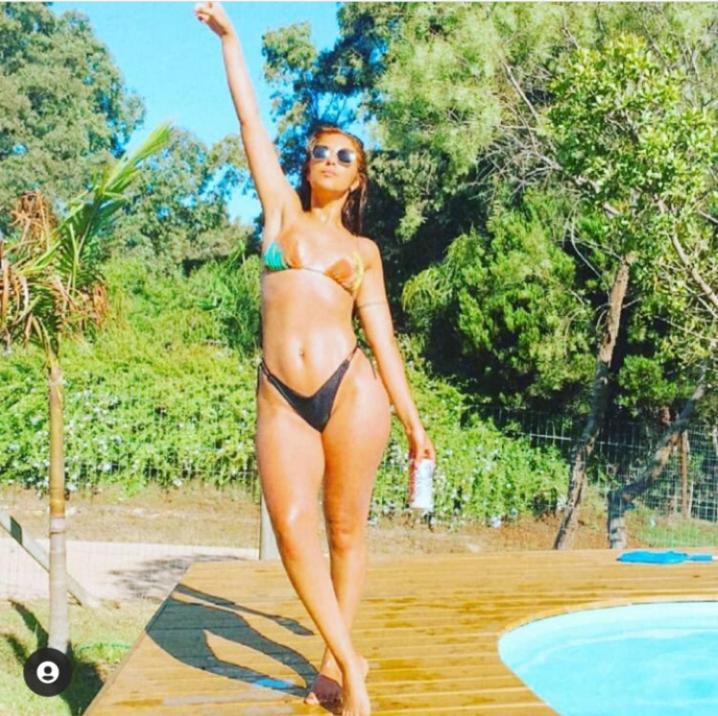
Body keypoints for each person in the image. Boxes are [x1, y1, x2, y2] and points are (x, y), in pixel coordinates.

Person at [194, 4, 436, 715]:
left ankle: (338, 660)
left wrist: (416, 425)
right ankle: (352, 667)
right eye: (321, 152)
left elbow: (384, 342)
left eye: (344, 157)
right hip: (281, 397)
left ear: (357, 180)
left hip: (352, 391)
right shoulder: (279, 213)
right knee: (292, 527)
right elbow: (250, 123)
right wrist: (232, 41)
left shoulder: (364, 255)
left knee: (344, 530)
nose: (328, 162)